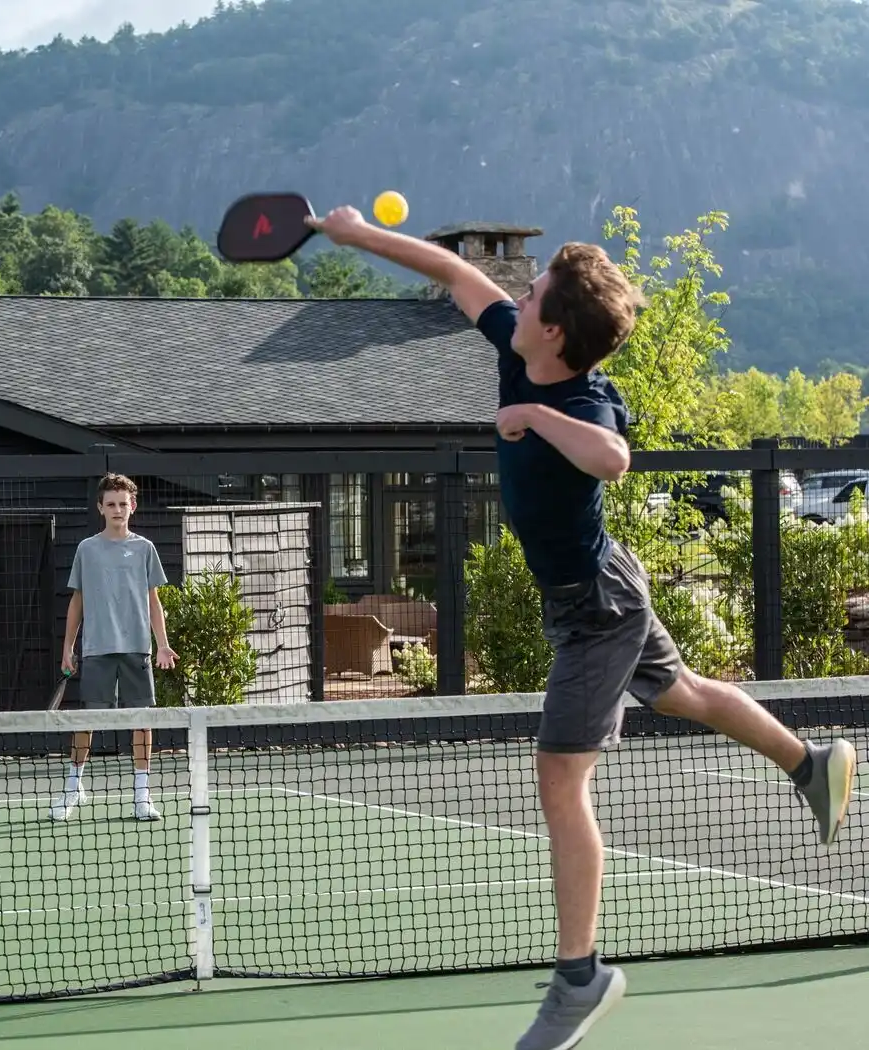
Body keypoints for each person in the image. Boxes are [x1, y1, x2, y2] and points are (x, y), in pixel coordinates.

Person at [306, 205, 857, 1050]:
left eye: (531, 301)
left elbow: (612, 459)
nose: (514, 301)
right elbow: (454, 274)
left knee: (560, 781)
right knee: (682, 695)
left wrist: (534, 421)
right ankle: (809, 763)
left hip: (595, 605)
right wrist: (353, 237)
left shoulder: (581, 396)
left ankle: (580, 976)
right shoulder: (517, 344)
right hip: (602, 586)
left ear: (554, 333)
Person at [51, 473, 179, 823]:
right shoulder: (87, 550)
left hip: (136, 649)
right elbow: (77, 602)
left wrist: (163, 645)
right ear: (100, 508)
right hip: (97, 650)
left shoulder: (145, 549)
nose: (118, 509)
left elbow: (154, 602)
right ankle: (73, 786)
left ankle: (141, 796)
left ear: (132, 506)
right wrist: (68, 647)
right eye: (111, 504)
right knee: (89, 720)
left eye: (123, 504)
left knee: (141, 722)